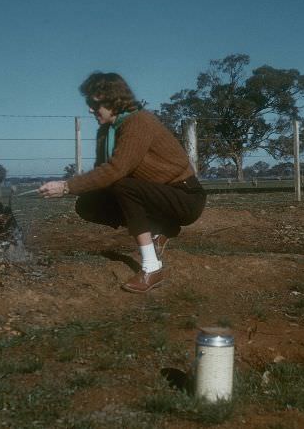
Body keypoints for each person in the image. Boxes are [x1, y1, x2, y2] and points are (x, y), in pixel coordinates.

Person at [38, 72, 206, 293]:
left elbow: (116, 171)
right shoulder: (105, 132)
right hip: (156, 194)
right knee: (87, 204)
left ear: (112, 99)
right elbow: (103, 173)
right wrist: (75, 189)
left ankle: (151, 267)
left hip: (185, 197)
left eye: (93, 103)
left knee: (121, 184)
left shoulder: (139, 122)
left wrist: (67, 186)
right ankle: (160, 229)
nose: (89, 109)